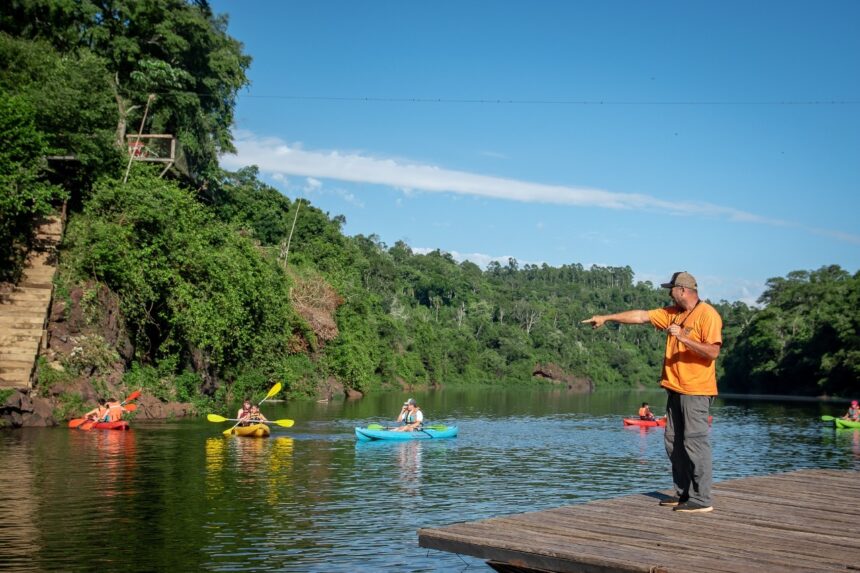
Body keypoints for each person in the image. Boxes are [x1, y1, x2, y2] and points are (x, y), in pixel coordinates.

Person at [582, 271, 722, 514]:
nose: (669, 294)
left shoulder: (707, 314)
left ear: (682, 290)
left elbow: (712, 352)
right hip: (674, 389)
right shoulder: (672, 313)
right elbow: (641, 316)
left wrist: (684, 338)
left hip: (696, 391)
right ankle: (683, 493)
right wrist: (607, 317)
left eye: (671, 290)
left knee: (694, 443)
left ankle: (701, 499)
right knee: (673, 442)